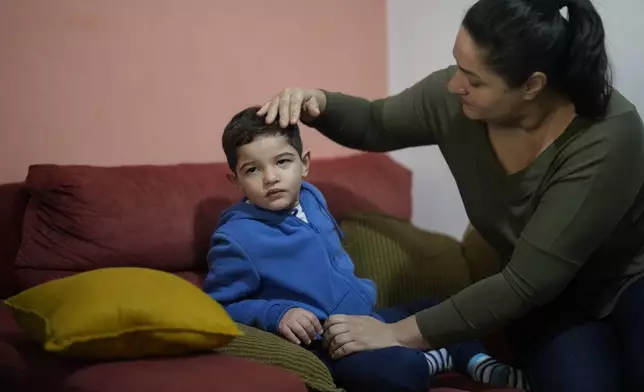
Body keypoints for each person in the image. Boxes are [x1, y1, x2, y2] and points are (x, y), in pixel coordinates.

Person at [255, 0, 644, 391]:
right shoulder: (454, 102)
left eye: (474, 79)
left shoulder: (607, 135)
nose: (454, 84)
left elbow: (527, 282)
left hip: (628, 279)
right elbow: (375, 123)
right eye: (457, 65)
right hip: (549, 301)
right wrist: (315, 103)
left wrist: (396, 332)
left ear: (532, 85)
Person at [203, 106, 532, 391]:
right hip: (328, 343)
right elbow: (221, 306)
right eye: (253, 169)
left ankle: (476, 361)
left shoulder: (311, 197)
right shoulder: (236, 237)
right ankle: (440, 359)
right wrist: (277, 314)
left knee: (439, 308)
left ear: (304, 164)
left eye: (282, 162)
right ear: (235, 180)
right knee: (401, 373)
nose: (271, 177)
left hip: (368, 318)